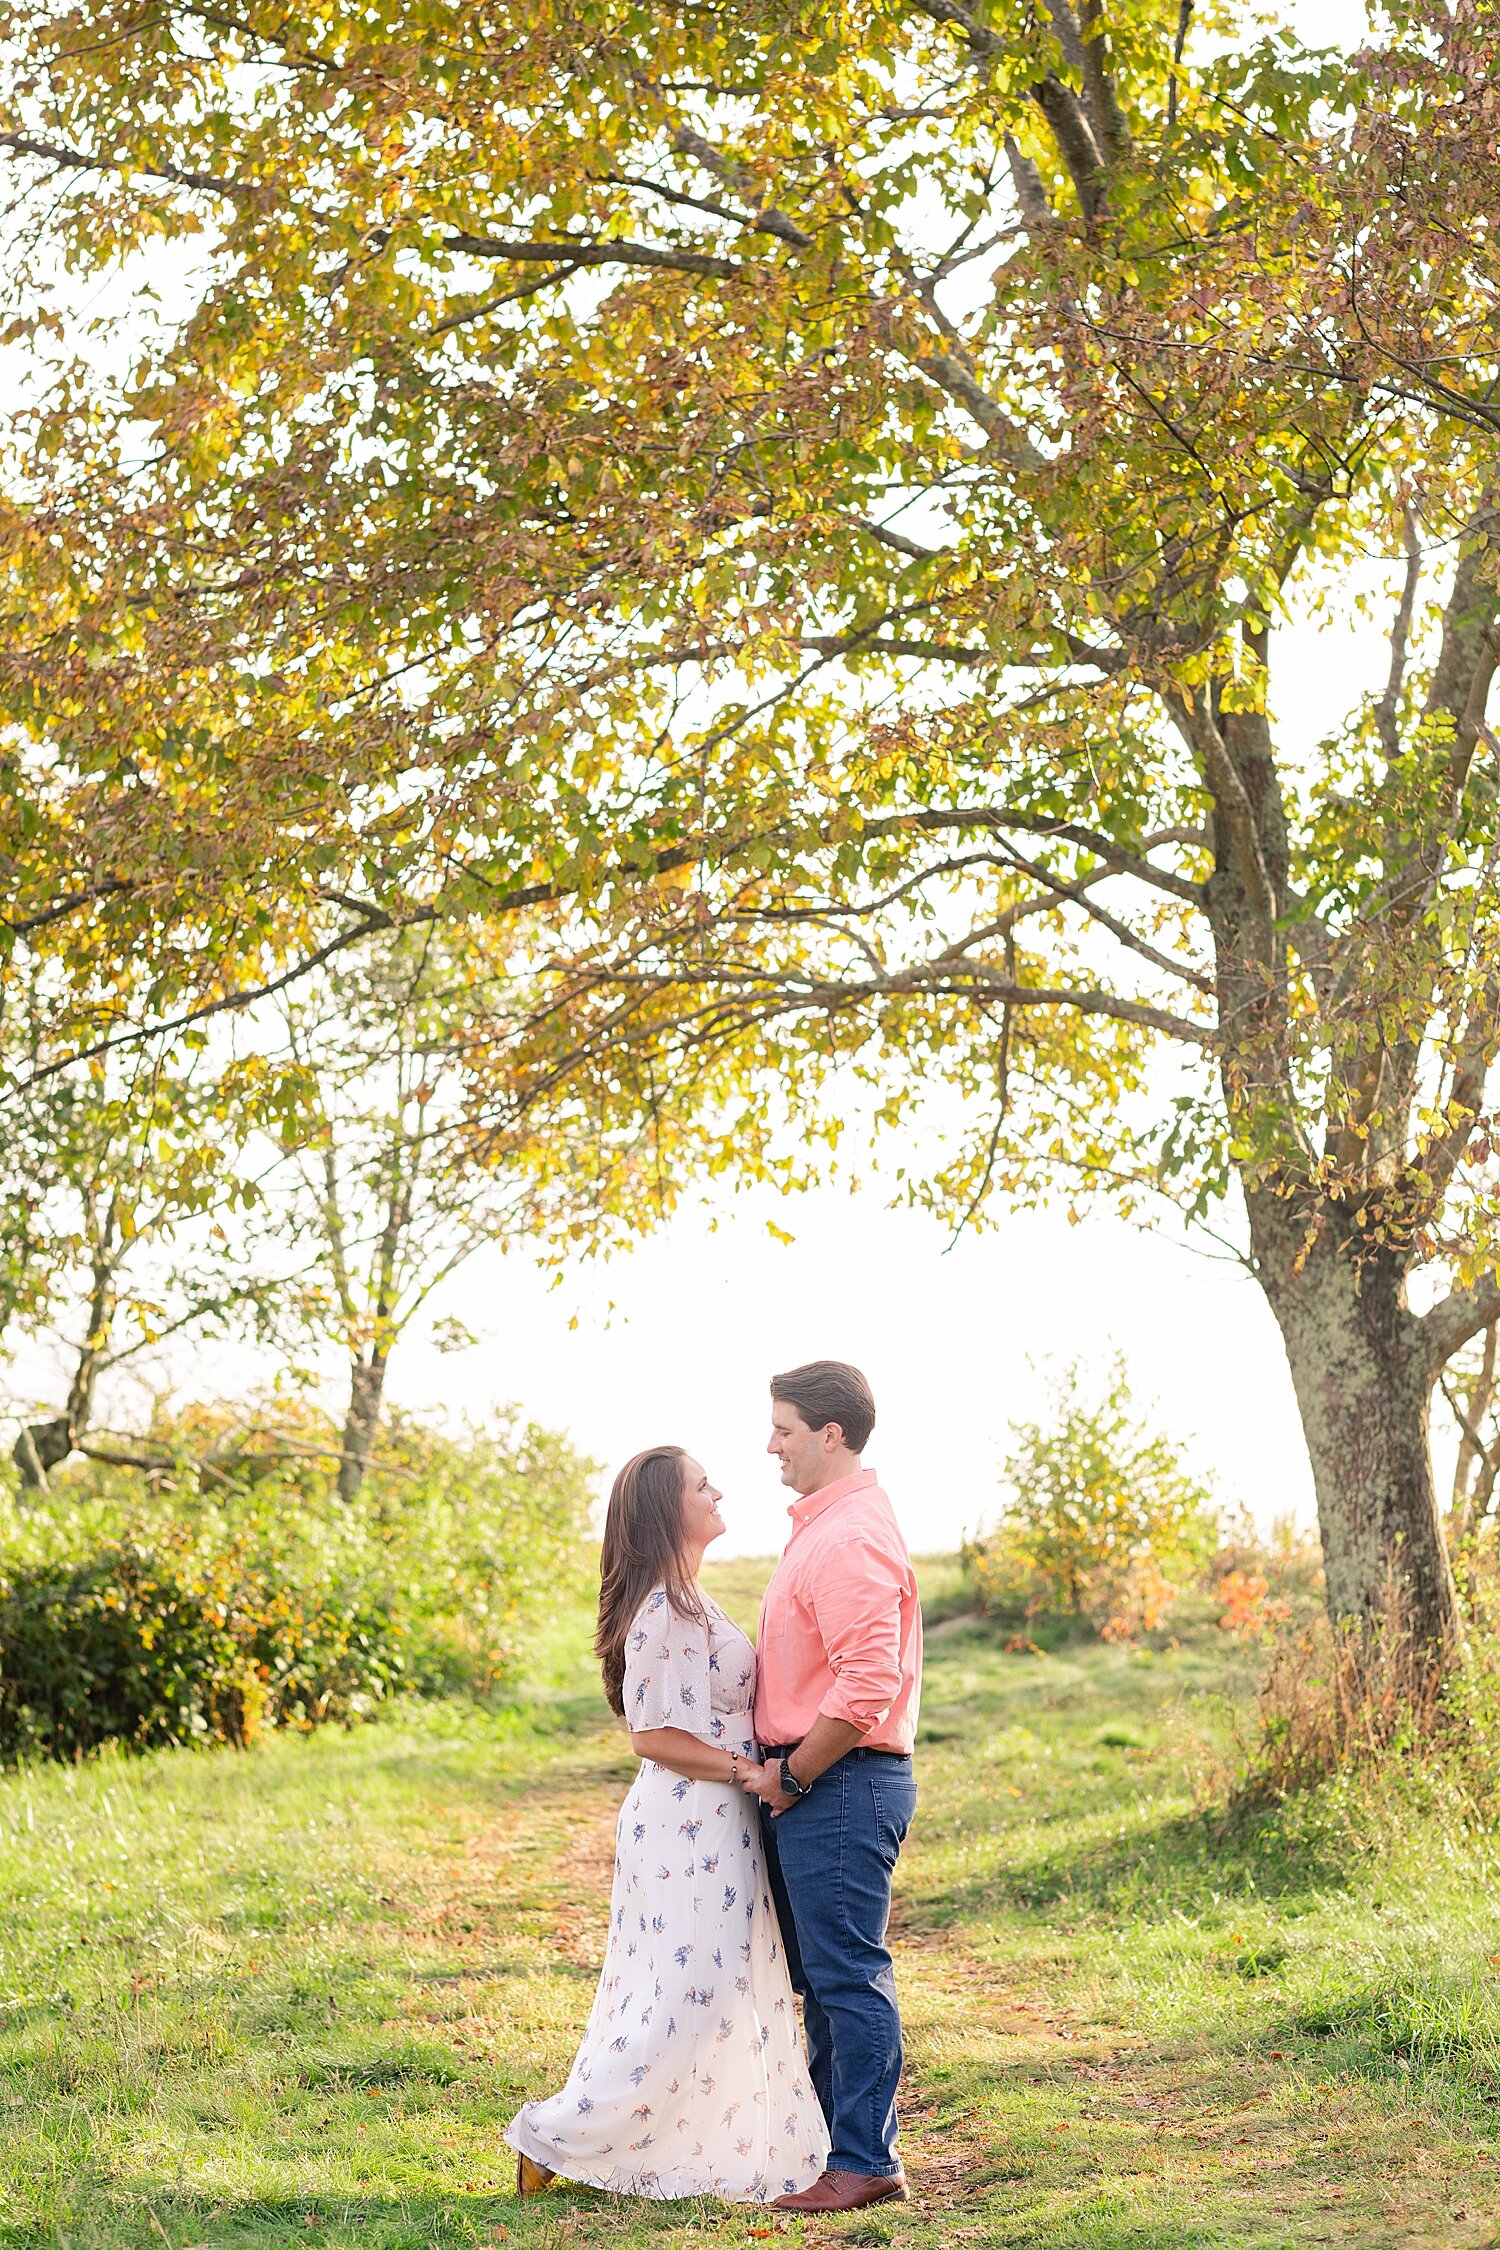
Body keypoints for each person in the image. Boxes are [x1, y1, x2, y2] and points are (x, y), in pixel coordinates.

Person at [504, 1445, 830, 2204]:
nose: (717, 1489)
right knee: (690, 1994)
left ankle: (696, 2138)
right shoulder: (665, 1608)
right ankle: (556, 2135)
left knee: (702, 1991)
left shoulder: (687, 1597)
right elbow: (652, 1736)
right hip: (692, 1822)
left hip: (713, 1820)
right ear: (663, 1509)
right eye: (699, 1483)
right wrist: (747, 1773)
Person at [753, 1360, 923, 2215]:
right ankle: (835, 2150)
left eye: (784, 1429)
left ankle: (863, 2160)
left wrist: (791, 1772)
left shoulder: (850, 1534)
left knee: (847, 1976)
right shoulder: (825, 1525)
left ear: (831, 1434)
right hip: (825, 1784)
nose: (771, 1444)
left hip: (840, 1783)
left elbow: (865, 1687)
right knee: (823, 1978)